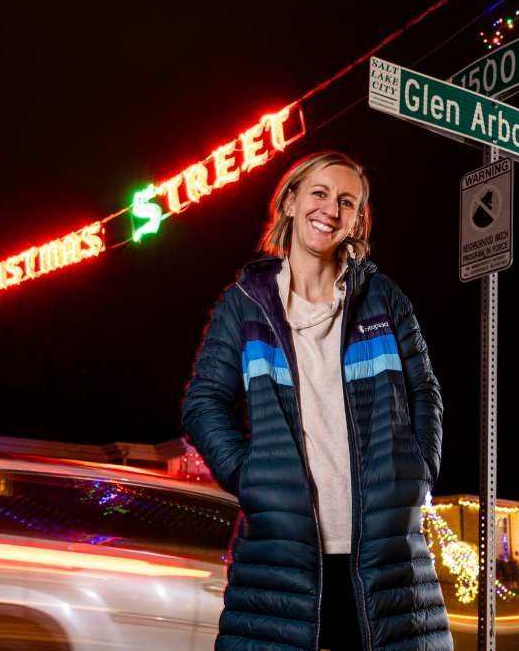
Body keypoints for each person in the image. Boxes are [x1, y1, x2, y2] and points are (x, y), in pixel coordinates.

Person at [183, 150, 451, 650]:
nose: (331, 208)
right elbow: (203, 403)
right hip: (282, 554)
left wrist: (418, 472)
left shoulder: (383, 298)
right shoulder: (244, 305)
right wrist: (251, 477)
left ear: (355, 221)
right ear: (289, 201)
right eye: (319, 193)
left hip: (384, 553)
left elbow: (424, 391)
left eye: (346, 202)